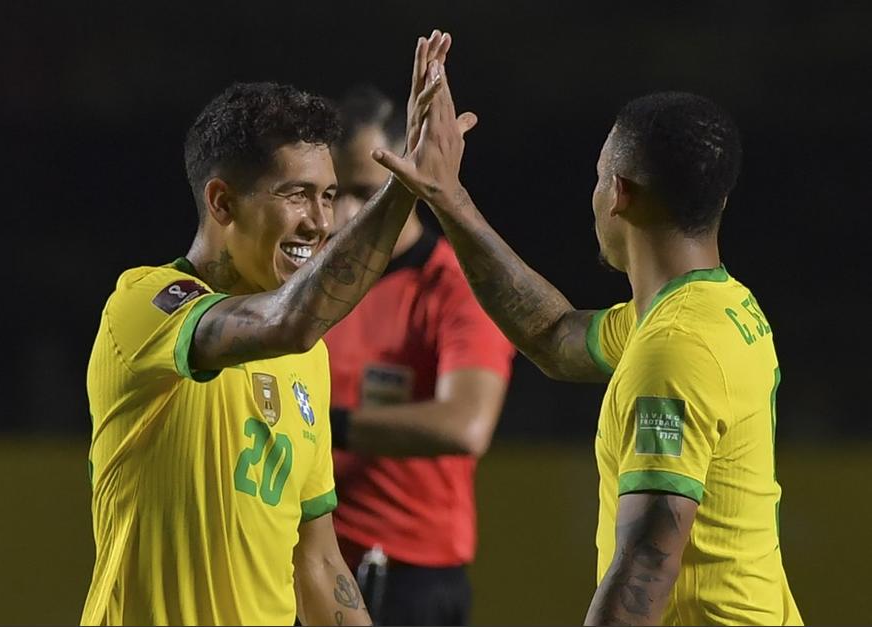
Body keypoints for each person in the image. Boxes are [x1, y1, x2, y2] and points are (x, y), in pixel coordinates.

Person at [81, 29, 478, 626]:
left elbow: (317, 564)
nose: (320, 223)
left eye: (330, 196)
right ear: (222, 203)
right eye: (297, 195)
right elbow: (286, 321)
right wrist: (405, 188)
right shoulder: (144, 307)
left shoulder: (306, 354)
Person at [375, 91, 802, 625]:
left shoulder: (674, 348)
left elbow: (648, 559)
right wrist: (448, 196)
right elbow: (554, 336)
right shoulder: (720, 307)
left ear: (618, 193)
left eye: (600, 177)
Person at [324, 85, 515, 625]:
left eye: (362, 192)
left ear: (402, 180)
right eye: (329, 192)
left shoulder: (452, 287)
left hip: (407, 575)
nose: (342, 214)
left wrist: (321, 428)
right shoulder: (310, 285)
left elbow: (466, 425)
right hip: (307, 560)